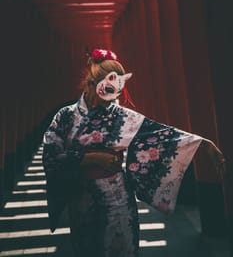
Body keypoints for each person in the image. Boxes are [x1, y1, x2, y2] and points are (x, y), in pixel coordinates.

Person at [42, 48, 225, 257]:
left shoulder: (122, 116)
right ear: (92, 82)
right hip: (82, 200)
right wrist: (90, 158)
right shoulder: (65, 116)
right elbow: (50, 157)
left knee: (123, 249)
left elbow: (162, 135)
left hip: (119, 199)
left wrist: (202, 144)